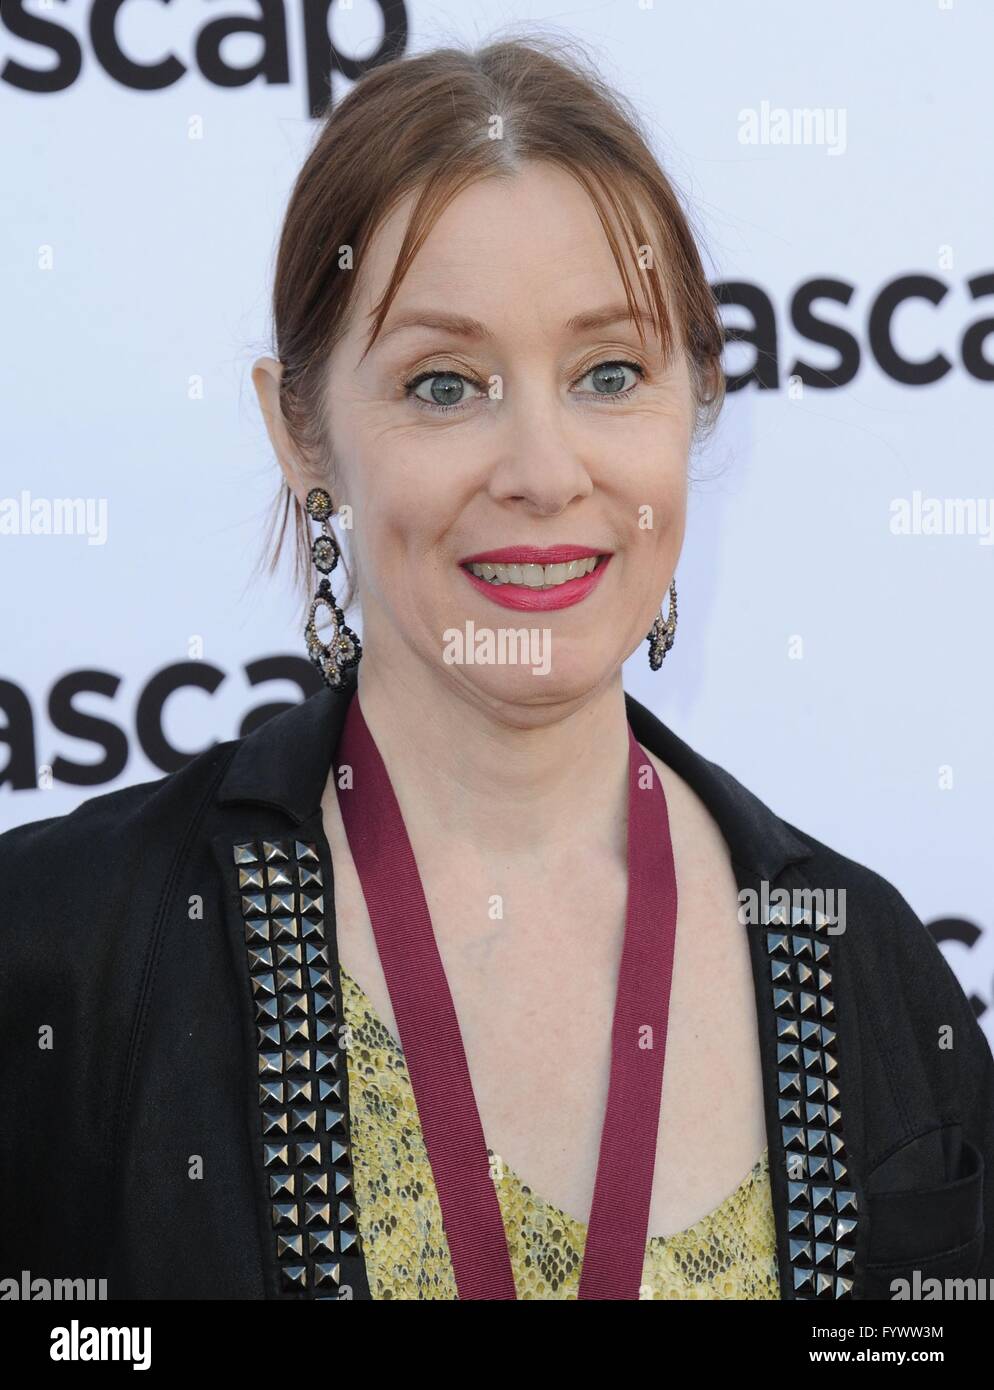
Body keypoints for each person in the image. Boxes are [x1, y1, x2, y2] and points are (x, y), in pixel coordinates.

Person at [1, 35, 991, 1303]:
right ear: (298, 433)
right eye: (445, 383)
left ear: (697, 397)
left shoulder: (873, 968)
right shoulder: (63, 954)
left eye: (610, 374)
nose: (540, 467)